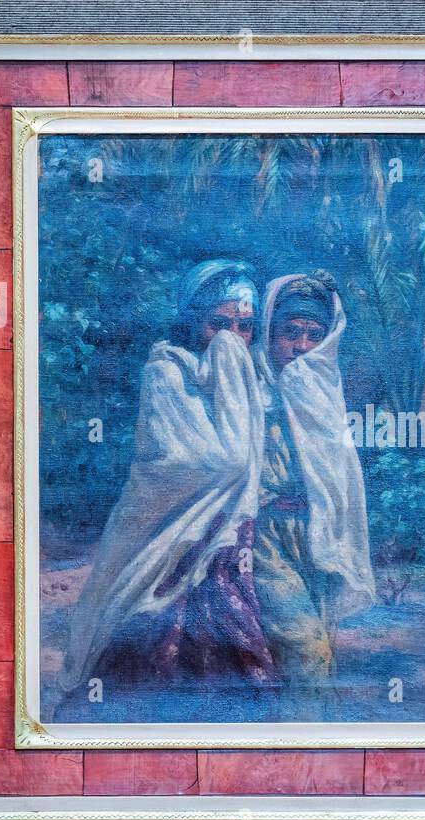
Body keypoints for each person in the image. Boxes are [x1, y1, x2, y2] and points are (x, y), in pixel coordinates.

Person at [56, 259, 274, 715]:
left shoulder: (254, 382)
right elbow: (215, 461)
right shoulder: (168, 372)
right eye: (220, 324)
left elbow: (256, 467)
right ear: (194, 322)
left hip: (230, 543)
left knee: (234, 659)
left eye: (245, 327)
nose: (233, 339)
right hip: (170, 541)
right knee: (157, 650)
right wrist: (233, 370)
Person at [249, 271, 376, 720]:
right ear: (270, 332)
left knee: (322, 647)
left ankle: (315, 751)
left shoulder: (324, 393)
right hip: (264, 538)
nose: (301, 346)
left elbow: (338, 476)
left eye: (313, 335)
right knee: (305, 648)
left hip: (316, 535)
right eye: (290, 333)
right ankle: (300, 749)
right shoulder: (246, 386)